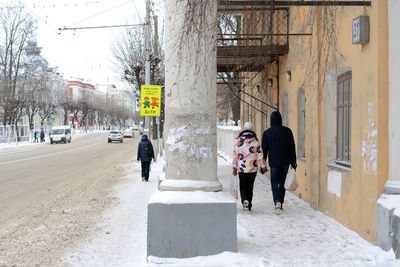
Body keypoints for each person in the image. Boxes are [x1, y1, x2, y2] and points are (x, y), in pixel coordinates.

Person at [262, 111, 297, 211]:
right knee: (282, 182)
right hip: (285, 162)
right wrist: (293, 162)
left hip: (273, 163)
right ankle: (280, 201)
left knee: (274, 182)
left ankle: (276, 200)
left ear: (271, 120)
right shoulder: (288, 131)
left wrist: (263, 164)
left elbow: (264, 150)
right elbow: (292, 148)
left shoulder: (267, 133)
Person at [232, 122, 267, 211]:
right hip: (252, 168)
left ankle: (245, 201)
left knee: (243, 186)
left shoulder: (239, 141)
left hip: (242, 168)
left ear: (243, 130)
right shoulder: (255, 141)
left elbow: (235, 155)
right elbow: (260, 155)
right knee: (250, 187)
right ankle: (249, 203)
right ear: (252, 130)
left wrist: (234, 167)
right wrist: (263, 166)